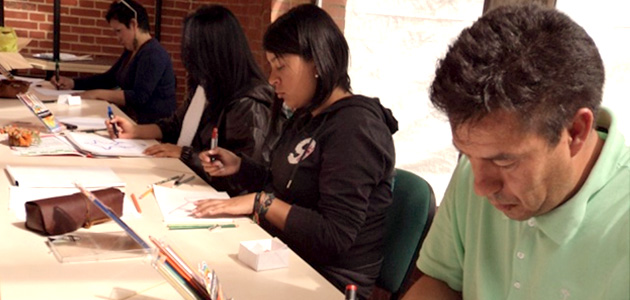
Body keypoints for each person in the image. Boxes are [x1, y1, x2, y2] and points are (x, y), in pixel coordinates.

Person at [402, 5, 629, 300]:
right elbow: (441, 281)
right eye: (468, 154)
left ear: (575, 131)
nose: (481, 187)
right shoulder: (476, 170)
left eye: (504, 161)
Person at [193, 4, 398, 299]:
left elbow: (334, 235)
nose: (272, 79)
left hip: (324, 282)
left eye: (280, 66)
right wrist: (241, 166)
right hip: (284, 258)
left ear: (316, 62)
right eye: (270, 67)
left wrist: (262, 203)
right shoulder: (308, 116)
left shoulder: (356, 128)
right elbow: (288, 183)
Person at [106, 5, 274, 195]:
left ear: (213, 53)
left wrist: (185, 154)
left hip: (212, 197)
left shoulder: (249, 104)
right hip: (184, 178)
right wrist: (135, 131)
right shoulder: (205, 83)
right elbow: (176, 124)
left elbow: (241, 177)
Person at [51, 0, 176, 124]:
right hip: (133, 123)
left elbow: (138, 97)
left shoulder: (153, 53)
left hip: (151, 129)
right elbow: (109, 78)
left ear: (133, 24)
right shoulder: (132, 50)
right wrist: (72, 83)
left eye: (119, 31)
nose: (118, 38)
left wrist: (97, 94)